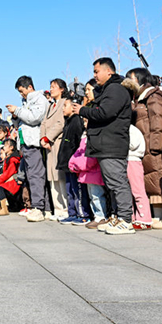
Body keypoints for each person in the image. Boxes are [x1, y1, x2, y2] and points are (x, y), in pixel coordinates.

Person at [67, 58, 135, 235]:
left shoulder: (116, 88)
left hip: (113, 143)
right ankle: (117, 217)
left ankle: (126, 220)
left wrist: (82, 110)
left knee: (118, 182)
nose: (94, 75)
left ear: (109, 71)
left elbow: (105, 112)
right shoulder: (107, 89)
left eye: (97, 72)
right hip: (105, 143)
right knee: (111, 183)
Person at [126, 67, 162, 229]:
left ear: (140, 79)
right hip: (144, 147)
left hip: (153, 146)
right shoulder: (138, 99)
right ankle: (156, 215)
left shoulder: (153, 95)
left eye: (131, 78)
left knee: (161, 180)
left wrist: (155, 145)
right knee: (151, 182)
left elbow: (159, 120)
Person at [6, 76, 48, 222]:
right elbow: (23, 121)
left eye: (22, 91)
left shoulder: (39, 99)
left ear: (30, 87)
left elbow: (34, 118)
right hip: (25, 143)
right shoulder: (26, 102)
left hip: (34, 143)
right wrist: (15, 116)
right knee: (30, 176)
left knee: (36, 175)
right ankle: (38, 206)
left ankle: (39, 207)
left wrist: (17, 110)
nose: (21, 94)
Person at [58, 96, 90, 225]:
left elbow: (78, 144)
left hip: (75, 163)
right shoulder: (68, 121)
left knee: (78, 190)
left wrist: (76, 161)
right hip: (67, 163)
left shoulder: (77, 121)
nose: (63, 109)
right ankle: (72, 213)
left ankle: (83, 214)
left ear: (73, 106)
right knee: (70, 189)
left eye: (65, 106)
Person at [40, 79, 68, 220]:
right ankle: (58, 210)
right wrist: (42, 138)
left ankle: (65, 209)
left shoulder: (64, 103)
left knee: (60, 176)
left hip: (57, 142)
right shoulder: (50, 106)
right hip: (48, 145)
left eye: (54, 87)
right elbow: (44, 123)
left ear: (62, 89)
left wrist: (48, 138)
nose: (51, 89)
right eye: (50, 87)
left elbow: (60, 122)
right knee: (52, 177)